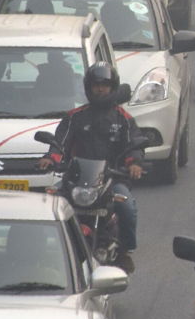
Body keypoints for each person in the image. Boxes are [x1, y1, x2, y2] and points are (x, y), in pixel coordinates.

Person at [36, 62, 143, 272]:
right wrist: (50, 159)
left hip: (111, 181)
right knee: (47, 205)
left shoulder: (124, 119)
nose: (100, 89)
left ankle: (125, 251)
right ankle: (41, 253)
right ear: (88, 87)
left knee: (127, 208)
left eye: (105, 85)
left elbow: (134, 145)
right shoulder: (74, 117)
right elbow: (60, 143)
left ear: (113, 87)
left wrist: (135, 164)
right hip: (75, 180)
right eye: (96, 85)